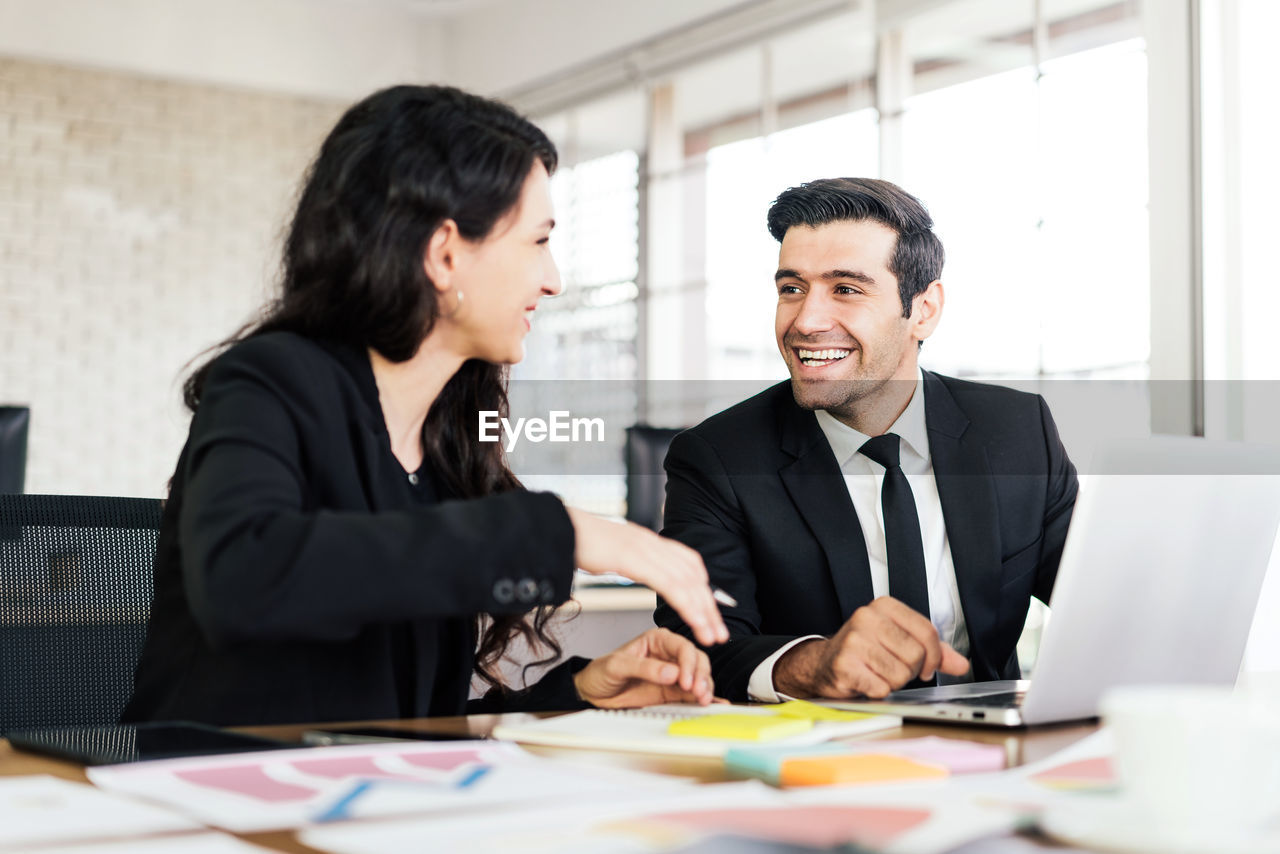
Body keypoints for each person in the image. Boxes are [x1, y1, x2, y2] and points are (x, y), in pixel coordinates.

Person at [122, 85, 728, 727]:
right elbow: (245, 580)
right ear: (444, 253)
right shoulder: (272, 379)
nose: (554, 279)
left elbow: (403, 714)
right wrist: (560, 531)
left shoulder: (446, 443)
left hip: (366, 804)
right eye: (538, 240)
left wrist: (581, 690)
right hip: (215, 800)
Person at [655, 177, 1078, 703]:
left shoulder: (1016, 431)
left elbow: (1103, 599)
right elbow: (696, 651)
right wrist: (814, 664)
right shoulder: (718, 459)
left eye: (846, 289)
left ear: (922, 311)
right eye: (792, 289)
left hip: (992, 751)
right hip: (819, 759)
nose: (806, 320)